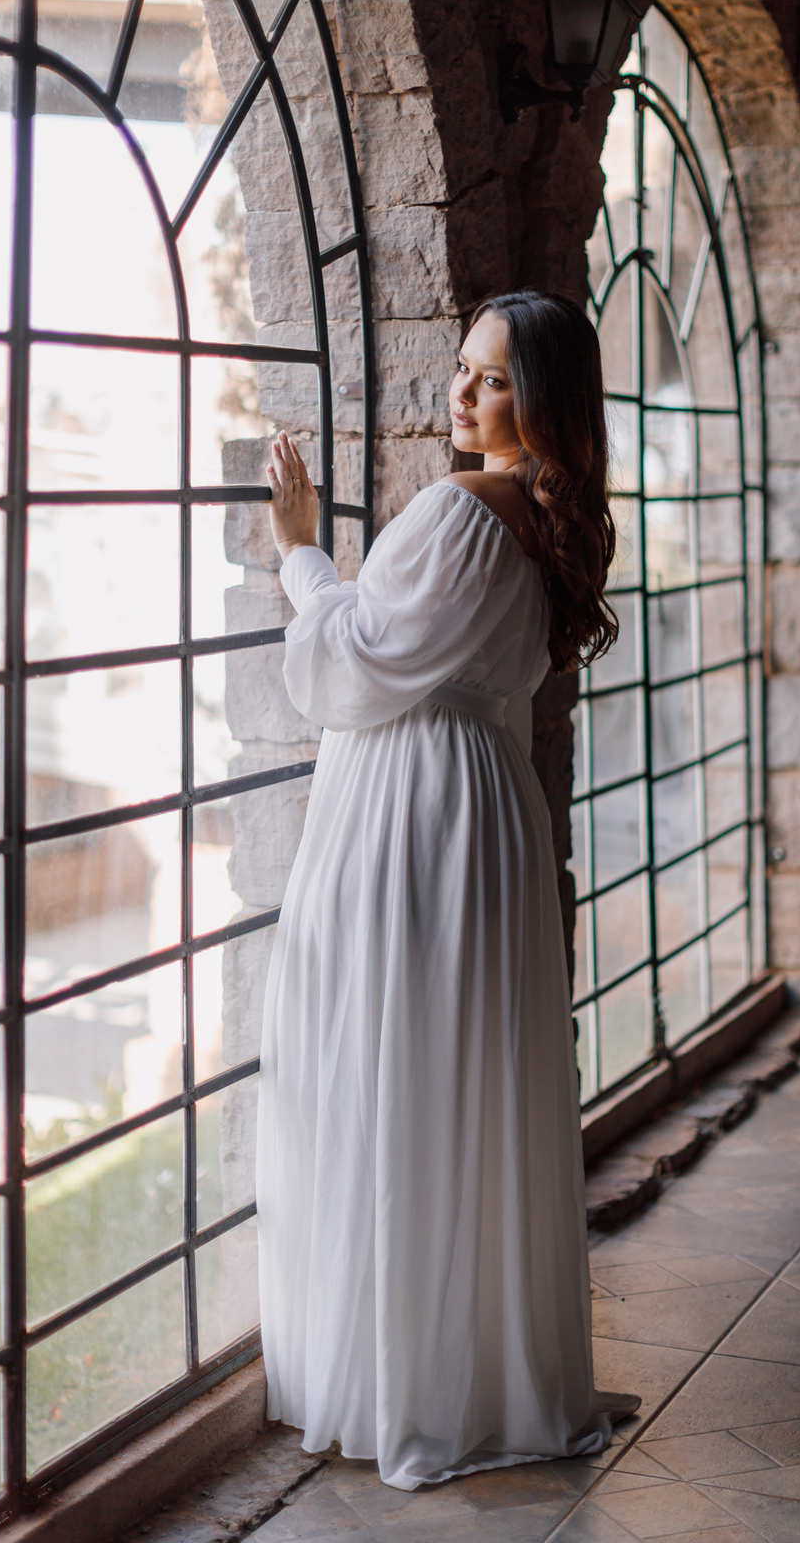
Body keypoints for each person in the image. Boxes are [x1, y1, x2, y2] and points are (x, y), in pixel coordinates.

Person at [256, 289, 639, 1491]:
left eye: (495, 379)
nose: (463, 394)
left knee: (391, 1073)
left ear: (546, 404)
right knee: (459, 1080)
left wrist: (300, 552)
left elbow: (353, 665)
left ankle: (402, 1384)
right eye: (465, 369)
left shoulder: (461, 511)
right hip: (490, 813)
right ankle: (463, 1372)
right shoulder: (544, 522)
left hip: (413, 810)